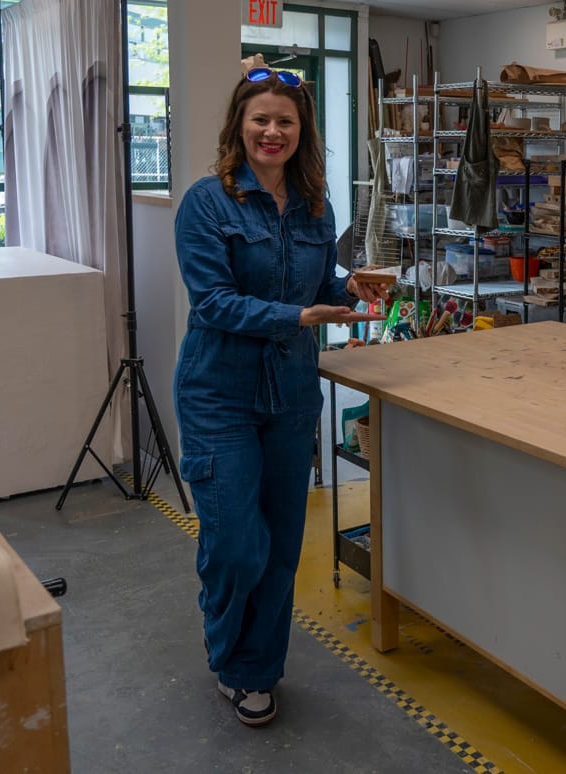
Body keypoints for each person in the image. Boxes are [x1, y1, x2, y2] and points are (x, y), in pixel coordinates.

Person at [173, 56, 384, 727]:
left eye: (285, 122)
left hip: (290, 395)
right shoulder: (207, 203)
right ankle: (227, 650)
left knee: (282, 545)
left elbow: (313, 290)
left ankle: (254, 671)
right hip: (219, 394)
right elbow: (213, 303)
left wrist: (347, 288)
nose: (273, 131)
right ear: (240, 125)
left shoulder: (318, 207)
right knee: (237, 544)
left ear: (302, 130)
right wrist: (298, 318)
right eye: (261, 119)